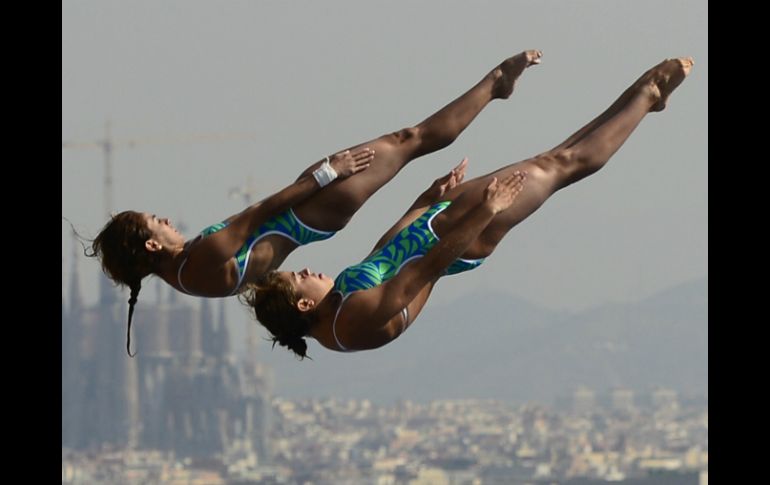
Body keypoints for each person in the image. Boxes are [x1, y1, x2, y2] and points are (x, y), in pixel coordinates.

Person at [88, 50, 544, 355]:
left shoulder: (190, 276)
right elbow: (258, 213)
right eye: (155, 221)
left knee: (411, 142)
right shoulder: (200, 261)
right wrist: (327, 174)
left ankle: (494, 86)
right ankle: (495, 84)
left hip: (311, 215)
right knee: (412, 139)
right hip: (312, 206)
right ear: (150, 246)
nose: (166, 219)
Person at [242, 57, 693, 359]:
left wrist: (425, 200)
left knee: (548, 159)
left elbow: (384, 254)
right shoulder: (347, 326)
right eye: (298, 276)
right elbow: (423, 272)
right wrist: (485, 212)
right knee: (558, 168)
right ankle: (648, 95)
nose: (306, 270)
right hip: (460, 241)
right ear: (303, 303)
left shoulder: (337, 302)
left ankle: (643, 99)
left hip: (432, 226)